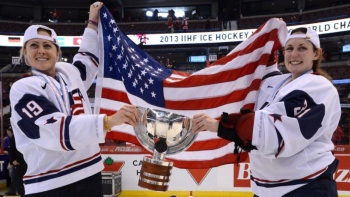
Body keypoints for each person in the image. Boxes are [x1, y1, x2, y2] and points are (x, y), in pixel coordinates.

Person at [9, 2, 139, 197]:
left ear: (57, 52)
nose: (41, 51)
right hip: (49, 182)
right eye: (34, 45)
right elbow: (54, 127)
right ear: (25, 53)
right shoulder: (24, 88)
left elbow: (87, 56)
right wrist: (107, 121)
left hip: (89, 172)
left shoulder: (69, 73)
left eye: (47, 45)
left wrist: (92, 22)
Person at [192, 27, 341, 197]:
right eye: (289, 48)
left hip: (306, 187)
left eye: (302, 48)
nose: (294, 54)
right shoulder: (275, 82)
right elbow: (262, 58)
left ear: (316, 54)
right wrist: (270, 32)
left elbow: (273, 131)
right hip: (263, 189)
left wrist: (219, 126)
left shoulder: (319, 87)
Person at [8, 125, 27, 197]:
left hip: (27, 162)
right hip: (19, 162)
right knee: (17, 179)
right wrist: (12, 160)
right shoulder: (15, 138)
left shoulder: (29, 136)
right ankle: (22, 193)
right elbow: (11, 150)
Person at [4, 127, 16, 196]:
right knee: (13, 175)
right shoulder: (9, 139)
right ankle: (12, 190)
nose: (8, 134)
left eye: (9, 132)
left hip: (17, 161)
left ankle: (13, 190)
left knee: (14, 175)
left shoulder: (15, 139)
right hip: (14, 161)